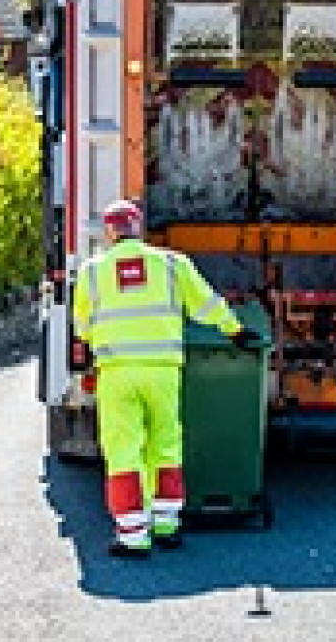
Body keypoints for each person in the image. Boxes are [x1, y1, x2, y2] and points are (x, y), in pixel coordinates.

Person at [73, 200, 261, 558]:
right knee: (165, 444)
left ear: (110, 231)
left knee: (124, 450)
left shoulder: (93, 272)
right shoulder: (173, 264)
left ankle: (132, 535)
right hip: (163, 372)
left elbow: (82, 325)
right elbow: (207, 305)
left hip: (117, 374)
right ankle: (167, 525)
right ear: (139, 226)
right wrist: (235, 331)